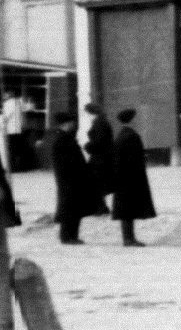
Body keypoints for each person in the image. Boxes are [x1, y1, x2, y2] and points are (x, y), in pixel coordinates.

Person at [49, 112, 106, 244]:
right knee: (70, 209)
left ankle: (71, 236)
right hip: (69, 180)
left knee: (74, 208)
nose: (74, 125)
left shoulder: (63, 138)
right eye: (72, 123)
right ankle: (67, 236)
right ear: (67, 124)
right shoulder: (63, 140)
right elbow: (68, 162)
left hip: (71, 180)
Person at [110, 107, 156, 247]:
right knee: (128, 210)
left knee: (125, 210)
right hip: (131, 178)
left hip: (122, 178)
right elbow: (136, 159)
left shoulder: (120, 135)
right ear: (132, 121)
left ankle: (128, 238)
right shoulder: (132, 136)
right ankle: (129, 239)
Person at [83, 101, 116, 206]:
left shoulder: (99, 122)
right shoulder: (101, 121)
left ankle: (100, 208)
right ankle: (100, 207)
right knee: (97, 182)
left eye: (86, 112)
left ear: (90, 112)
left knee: (95, 181)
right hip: (102, 156)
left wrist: (87, 146)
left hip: (100, 157)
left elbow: (99, 142)